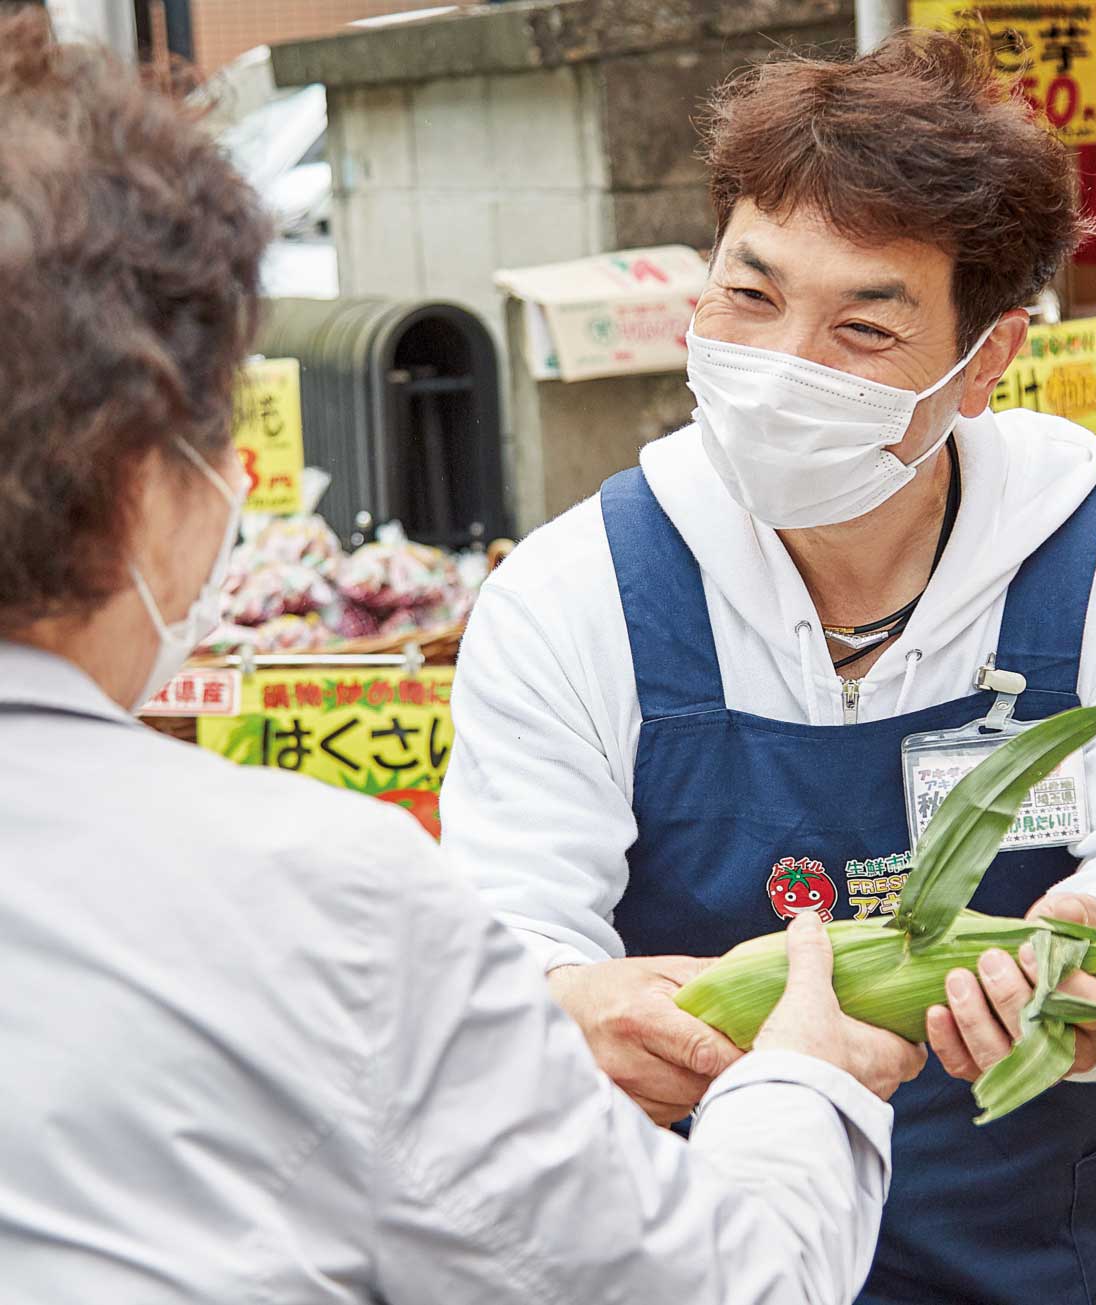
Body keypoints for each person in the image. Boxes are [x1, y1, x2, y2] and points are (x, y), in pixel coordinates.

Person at [0, 15, 925, 1303]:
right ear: (146, 480)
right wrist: (804, 1083)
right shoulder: (311, 893)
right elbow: (707, 1287)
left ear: (984, 360)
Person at [442, 30, 1096, 1305]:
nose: (783, 368)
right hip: (697, 1250)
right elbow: (506, 922)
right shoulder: (573, 597)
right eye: (751, 294)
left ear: (985, 361)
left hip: (1036, 1249)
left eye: (862, 329)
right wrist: (567, 1001)